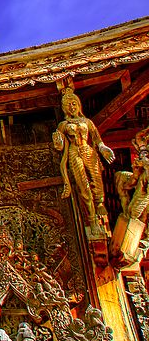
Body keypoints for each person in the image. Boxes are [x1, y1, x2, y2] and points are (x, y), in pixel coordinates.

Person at [52, 88, 114, 236]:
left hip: (88, 150)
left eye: (74, 104)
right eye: (69, 105)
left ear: (79, 105)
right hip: (74, 152)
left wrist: (102, 147)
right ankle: (92, 221)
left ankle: (100, 205)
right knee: (83, 185)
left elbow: (97, 139)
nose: (72, 107)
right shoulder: (63, 125)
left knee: (97, 182)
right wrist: (57, 141)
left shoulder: (87, 122)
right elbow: (60, 146)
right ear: (64, 108)